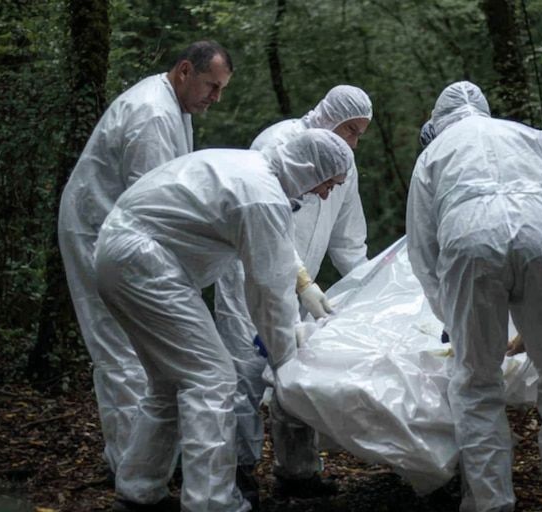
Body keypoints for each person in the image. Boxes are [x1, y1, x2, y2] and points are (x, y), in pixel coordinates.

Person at [95, 129, 354, 512]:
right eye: (329, 183)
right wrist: (285, 361)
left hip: (119, 255)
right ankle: (211, 501)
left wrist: (304, 284)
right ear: (309, 168)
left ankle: (139, 493)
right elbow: (269, 291)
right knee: (212, 379)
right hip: (144, 263)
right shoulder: (263, 195)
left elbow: (277, 252)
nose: (326, 194)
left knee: (168, 383)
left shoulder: (253, 172)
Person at [407, 81, 542, 512]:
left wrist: (454, 319)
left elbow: (423, 250)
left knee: (477, 381)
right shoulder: (532, 137)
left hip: (467, 243)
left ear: (438, 121)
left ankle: (491, 502)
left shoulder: (432, 156)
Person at [57, 41, 233, 479]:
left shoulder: (175, 106)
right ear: (185, 70)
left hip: (126, 233)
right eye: (211, 85)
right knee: (119, 348)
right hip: (99, 230)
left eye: (221, 88)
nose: (215, 97)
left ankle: (149, 462)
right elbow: (154, 202)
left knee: (144, 349)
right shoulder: (152, 114)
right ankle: (129, 466)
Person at [212, 85, 372, 497]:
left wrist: (368, 284)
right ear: (330, 117)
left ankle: (298, 472)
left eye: (359, 135)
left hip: (303, 284)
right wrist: (301, 282)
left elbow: (348, 237)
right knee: (245, 368)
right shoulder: (279, 144)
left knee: (296, 369)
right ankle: (237, 469)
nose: (353, 142)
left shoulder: (343, 162)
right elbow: (267, 223)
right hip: (247, 274)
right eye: (349, 130)